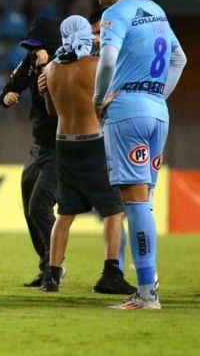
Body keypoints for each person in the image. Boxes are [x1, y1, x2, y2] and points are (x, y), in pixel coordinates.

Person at [91, 0, 187, 310]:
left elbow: (108, 59)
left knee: (134, 203)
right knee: (142, 200)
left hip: (127, 111)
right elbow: (180, 59)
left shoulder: (115, 13)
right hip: (157, 112)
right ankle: (147, 287)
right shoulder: (156, 10)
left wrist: (99, 98)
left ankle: (147, 293)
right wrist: (155, 94)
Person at [40, 15, 135, 295]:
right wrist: (115, 95)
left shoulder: (51, 69)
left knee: (65, 214)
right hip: (91, 143)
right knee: (114, 211)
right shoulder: (94, 66)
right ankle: (110, 273)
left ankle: (52, 276)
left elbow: (51, 111)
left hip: (63, 144)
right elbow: (101, 105)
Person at [0, 17, 61, 287]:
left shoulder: (65, 64)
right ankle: (46, 263)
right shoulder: (30, 62)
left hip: (61, 147)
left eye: (37, 46)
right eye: (31, 47)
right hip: (38, 146)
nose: (33, 51)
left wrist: (46, 67)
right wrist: (8, 97)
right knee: (29, 208)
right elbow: (10, 86)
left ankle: (54, 265)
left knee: (39, 206)